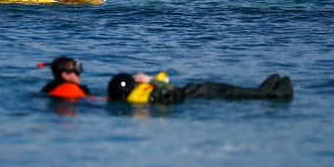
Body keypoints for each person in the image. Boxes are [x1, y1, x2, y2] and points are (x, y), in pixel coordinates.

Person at [106, 70, 294, 104]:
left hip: (199, 91)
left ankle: (268, 92)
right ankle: (275, 95)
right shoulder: (149, 100)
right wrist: (151, 80)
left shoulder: (143, 99)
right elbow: (172, 92)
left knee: (239, 90)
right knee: (236, 92)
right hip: (203, 94)